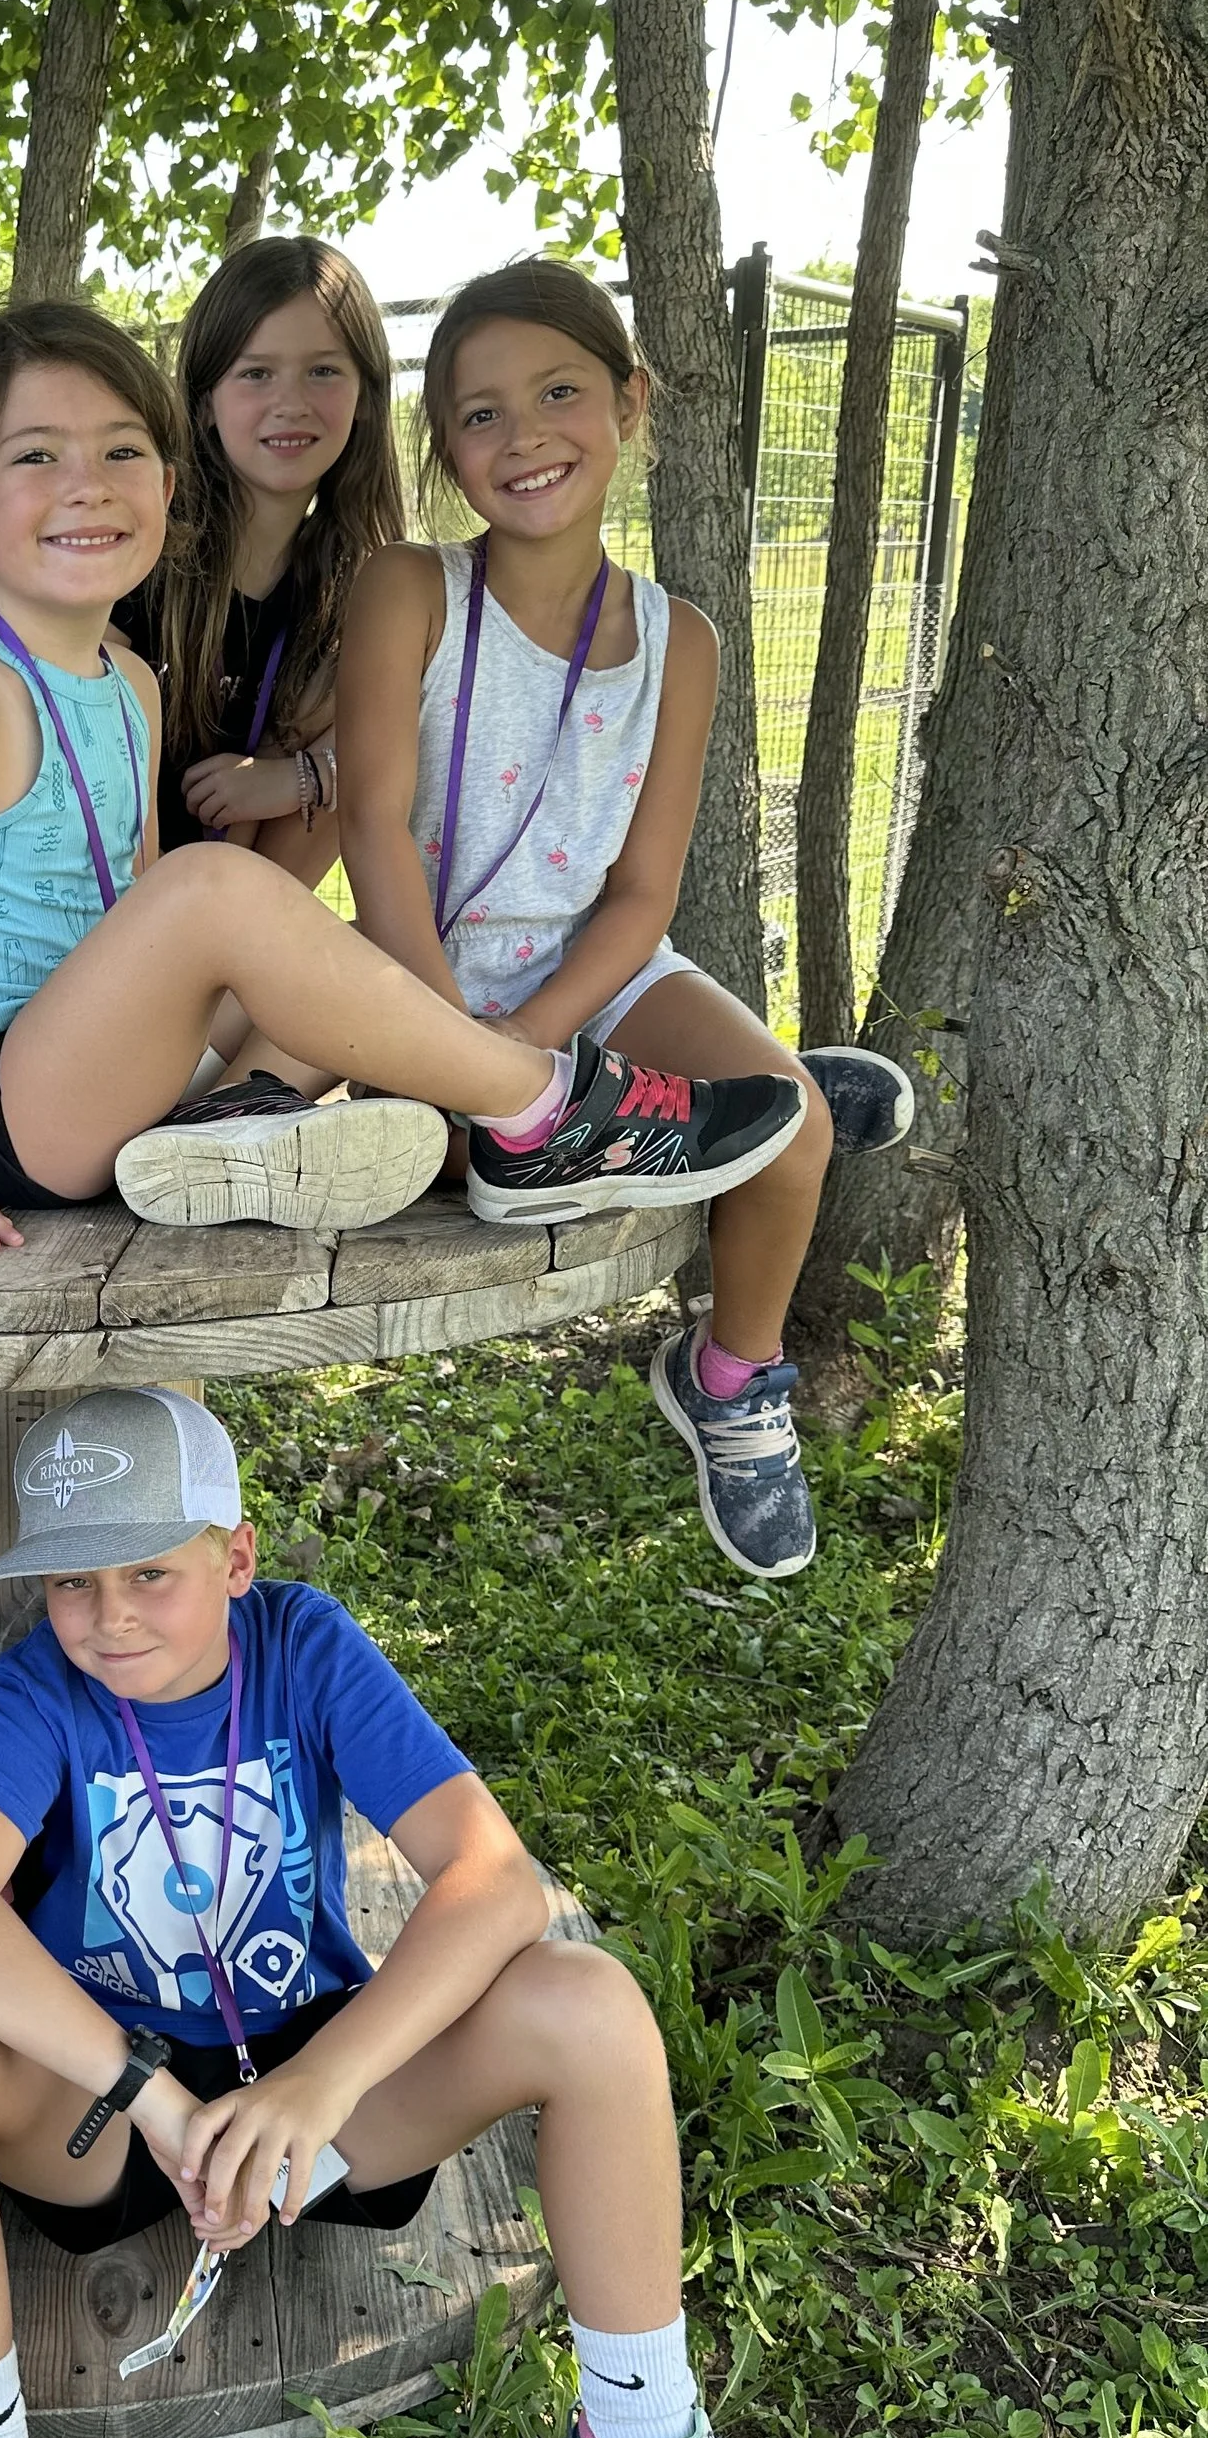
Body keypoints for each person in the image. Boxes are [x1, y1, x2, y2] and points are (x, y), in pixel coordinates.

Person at [0, 1386, 898, 2438]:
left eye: (150, 1570)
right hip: (107, 2111)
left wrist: (316, 2081)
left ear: (237, 1553)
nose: (108, 1616)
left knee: (587, 2003)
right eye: (72, 1582)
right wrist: (148, 2090)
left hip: (321, 2098)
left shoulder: (303, 1642)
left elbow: (494, 1880)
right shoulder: (46, 1683)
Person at [0, 297, 809, 1246]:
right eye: (37, 457)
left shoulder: (125, 680)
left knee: (350, 959)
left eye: (121, 450)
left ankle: (237, 1121)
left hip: (79, 1062)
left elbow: (129, 924)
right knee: (217, 889)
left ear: (168, 487)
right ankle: (544, 1108)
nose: (86, 483)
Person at [338, 260, 916, 1582]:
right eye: (480, 414)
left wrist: (532, 1054)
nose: (524, 435)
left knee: (792, 1133)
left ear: (631, 401)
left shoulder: (682, 640)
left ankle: (728, 1375)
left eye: (558, 394)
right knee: (433, 1162)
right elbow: (371, 827)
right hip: (404, 982)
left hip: (595, 974)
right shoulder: (406, 590)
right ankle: (661, 1095)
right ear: (444, 448)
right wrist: (453, 1051)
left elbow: (641, 894)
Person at [113, 235, 401, 873]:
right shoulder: (135, 552)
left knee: (368, 709)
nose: (291, 402)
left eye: (323, 371)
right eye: (255, 373)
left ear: (364, 400)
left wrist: (301, 778)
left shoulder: (354, 591)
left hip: (226, 923)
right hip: (85, 910)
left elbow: (416, 737)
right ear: (205, 402)